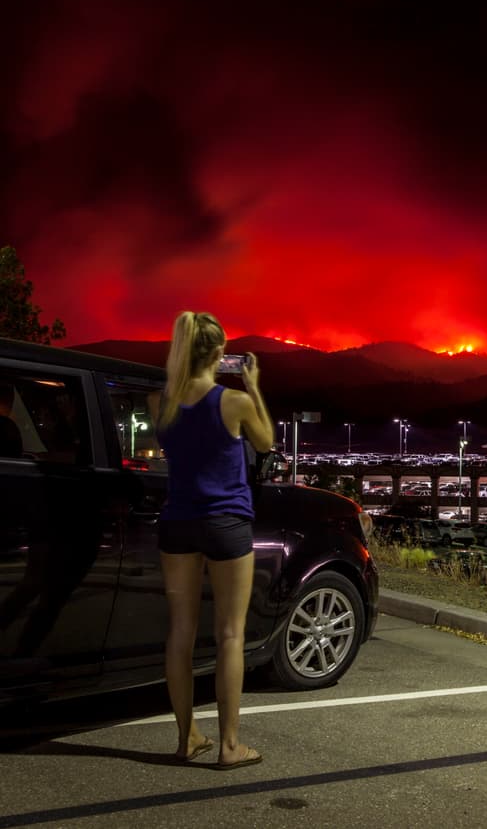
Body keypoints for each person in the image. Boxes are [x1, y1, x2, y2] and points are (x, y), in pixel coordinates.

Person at [150, 312, 273, 768]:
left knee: (180, 633)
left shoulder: (160, 402)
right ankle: (228, 746)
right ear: (221, 353)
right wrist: (253, 386)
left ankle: (186, 739)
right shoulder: (234, 401)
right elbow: (266, 442)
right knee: (230, 635)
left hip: (177, 522)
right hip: (226, 523)